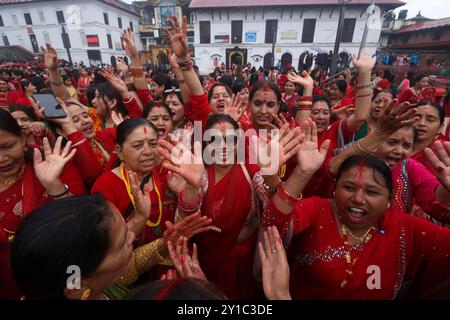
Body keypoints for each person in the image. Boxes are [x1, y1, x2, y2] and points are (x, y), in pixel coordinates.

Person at [262, 122, 450, 299]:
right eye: (350, 188)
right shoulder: (320, 210)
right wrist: (302, 173)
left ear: (388, 199)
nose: (358, 199)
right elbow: (274, 225)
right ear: (335, 190)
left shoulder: (404, 227)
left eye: (372, 191)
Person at [10, 194, 212, 300]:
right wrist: (202, 295)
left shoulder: (87, 282)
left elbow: (125, 273)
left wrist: (163, 245)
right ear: (76, 287)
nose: (133, 237)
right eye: (123, 242)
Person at [0, 109, 86, 299]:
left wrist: (53, 185)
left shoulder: (50, 164)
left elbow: (82, 224)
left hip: (65, 272)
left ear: (23, 139)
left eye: (7, 146)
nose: (2, 159)